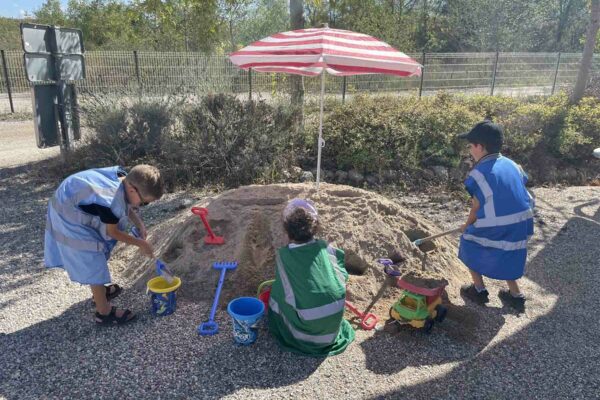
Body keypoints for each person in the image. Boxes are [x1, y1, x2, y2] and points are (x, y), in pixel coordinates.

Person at [44, 165, 164, 325]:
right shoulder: (110, 200)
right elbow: (112, 233)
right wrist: (141, 244)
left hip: (73, 197)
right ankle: (104, 312)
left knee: (99, 244)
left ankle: (99, 291)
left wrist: (139, 223)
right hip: (67, 212)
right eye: (143, 203)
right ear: (132, 189)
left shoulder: (124, 179)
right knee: (92, 254)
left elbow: (126, 205)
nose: (141, 206)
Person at [457, 121, 534, 312]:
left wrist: (466, 226)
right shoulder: (512, 164)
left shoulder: (478, 173)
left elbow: (476, 207)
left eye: (471, 145)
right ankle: (516, 296)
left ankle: (479, 290)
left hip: (499, 224)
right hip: (523, 222)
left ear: (480, 147)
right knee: (508, 252)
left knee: (468, 242)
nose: (470, 150)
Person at [268, 199, 355, 356]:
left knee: (275, 294)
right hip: (332, 330)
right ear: (314, 229)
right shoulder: (326, 247)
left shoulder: (284, 256)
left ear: (287, 232)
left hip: (304, 337)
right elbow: (342, 273)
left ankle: (294, 329)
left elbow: (282, 291)